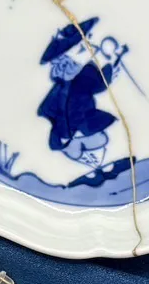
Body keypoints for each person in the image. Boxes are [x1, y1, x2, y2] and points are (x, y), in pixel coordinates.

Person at [36, 18, 129, 173]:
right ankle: (90, 164)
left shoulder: (84, 75)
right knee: (75, 139)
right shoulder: (63, 84)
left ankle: (97, 163)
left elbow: (98, 83)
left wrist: (113, 64)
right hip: (69, 120)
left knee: (97, 137)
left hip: (82, 114)